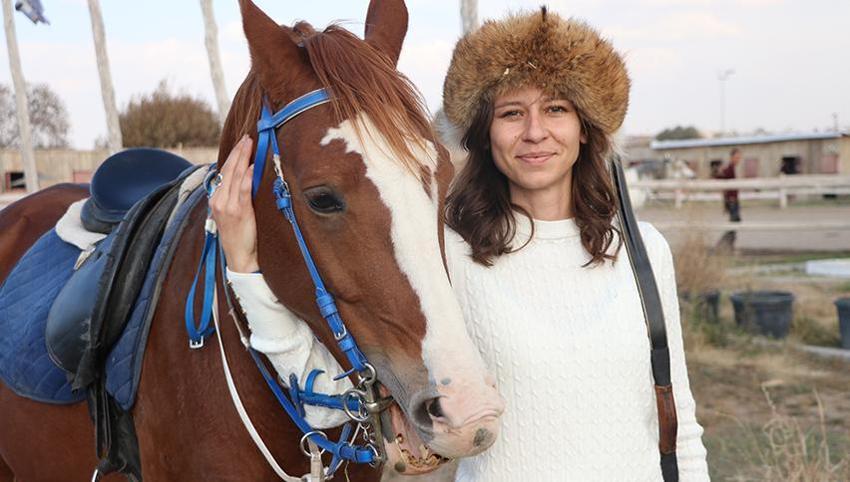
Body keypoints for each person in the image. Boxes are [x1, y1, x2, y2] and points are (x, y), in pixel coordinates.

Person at [212, 8, 709, 481]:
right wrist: (243, 265)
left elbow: (678, 419)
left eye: (556, 109)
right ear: (485, 133)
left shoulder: (644, 252)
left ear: (585, 129)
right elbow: (328, 402)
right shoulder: (449, 254)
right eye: (512, 113)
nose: (536, 132)